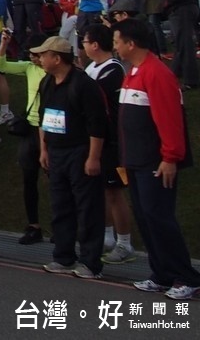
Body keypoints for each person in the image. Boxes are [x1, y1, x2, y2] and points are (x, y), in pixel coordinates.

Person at [112, 18, 200, 301]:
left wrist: (170, 157)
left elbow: (170, 119)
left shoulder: (156, 73)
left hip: (156, 161)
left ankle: (185, 276)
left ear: (130, 43)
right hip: (136, 160)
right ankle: (161, 273)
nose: (114, 46)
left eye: (116, 41)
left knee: (159, 217)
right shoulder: (133, 71)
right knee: (145, 216)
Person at [32, 36, 107, 279]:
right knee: (60, 205)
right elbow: (43, 118)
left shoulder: (83, 85)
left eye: (44, 55)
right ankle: (63, 256)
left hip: (80, 150)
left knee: (87, 207)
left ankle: (90, 261)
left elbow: (97, 123)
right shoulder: (47, 82)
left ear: (57, 58)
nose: (40, 59)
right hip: (56, 151)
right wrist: (44, 149)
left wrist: (93, 157)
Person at [79, 25, 136, 265]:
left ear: (94, 45)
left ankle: (125, 243)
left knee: (114, 192)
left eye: (85, 42)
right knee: (100, 190)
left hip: (112, 140)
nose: (82, 46)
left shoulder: (112, 70)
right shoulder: (92, 67)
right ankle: (106, 236)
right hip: (95, 137)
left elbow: (90, 97)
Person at [0, 31, 47, 245]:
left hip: (50, 129)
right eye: (31, 54)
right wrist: (4, 44)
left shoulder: (54, 72)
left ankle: (63, 227)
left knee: (58, 183)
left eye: (36, 54)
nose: (33, 58)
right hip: (30, 129)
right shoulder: (29, 68)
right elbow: (1, 66)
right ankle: (33, 225)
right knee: (29, 180)